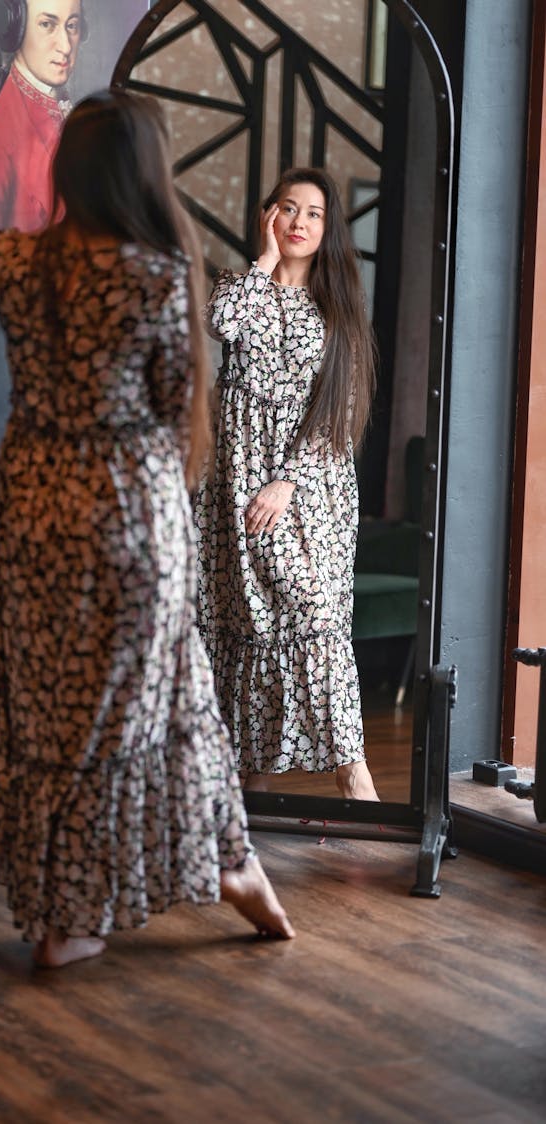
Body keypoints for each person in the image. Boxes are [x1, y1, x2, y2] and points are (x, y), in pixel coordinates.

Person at [0, 90, 295, 969]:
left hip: (34, 513)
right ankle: (106, 904)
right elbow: (181, 410)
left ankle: (200, 871)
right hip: (131, 514)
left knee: (63, 709)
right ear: (148, 173)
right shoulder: (157, 276)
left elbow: (5, 236)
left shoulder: (11, 263)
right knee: (137, 709)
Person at [194, 168, 380, 802]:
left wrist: (287, 483)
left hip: (310, 489)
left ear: (328, 231)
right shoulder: (239, 288)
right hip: (232, 482)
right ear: (268, 215)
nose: (299, 221)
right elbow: (221, 323)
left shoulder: (338, 312)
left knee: (315, 617)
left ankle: (354, 776)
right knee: (245, 624)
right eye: (288, 209)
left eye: (314, 214)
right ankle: (250, 777)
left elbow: (340, 410)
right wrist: (265, 258)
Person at [0, 0, 85, 233]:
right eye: (47, 25)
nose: (65, 46)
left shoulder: (65, 116)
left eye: (71, 26)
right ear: (14, 31)